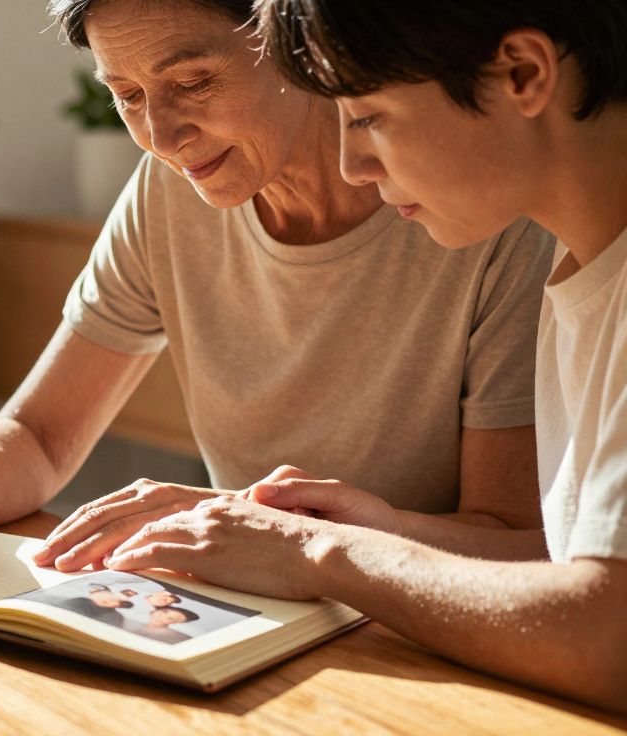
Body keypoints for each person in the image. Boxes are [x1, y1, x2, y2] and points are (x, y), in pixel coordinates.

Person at [0, 0, 551, 581]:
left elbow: (516, 539)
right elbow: (39, 433)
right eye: (126, 97)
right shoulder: (169, 195)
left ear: (294, 38)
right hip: (246, 623)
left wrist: (278, 536)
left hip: (425, 634)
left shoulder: (476, 213)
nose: (160, 136)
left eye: (193, 83)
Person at [84, 0, 627, 711]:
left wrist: (319, 555)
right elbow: (578, 568)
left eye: (368, 117)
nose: (351, 162)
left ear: (522, 74)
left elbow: (608, 638)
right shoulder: (583, 279)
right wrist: (363, 531)